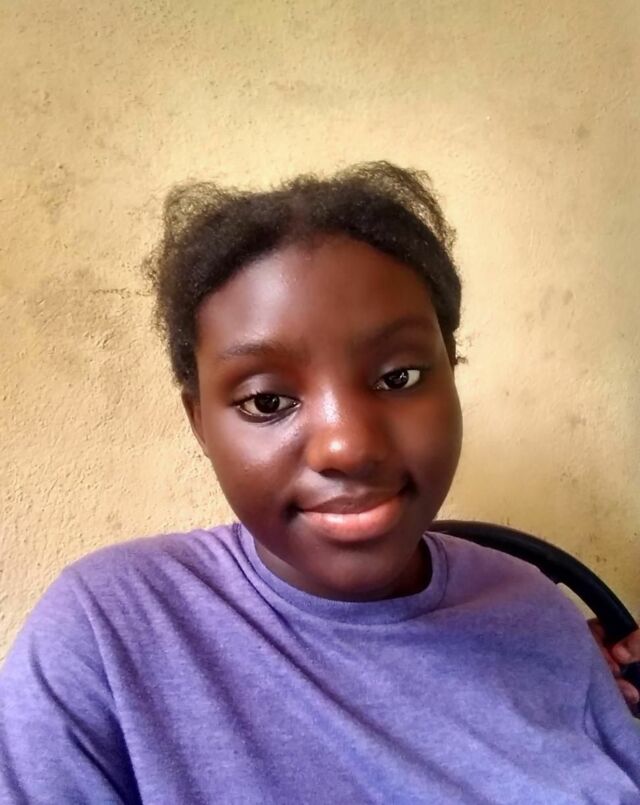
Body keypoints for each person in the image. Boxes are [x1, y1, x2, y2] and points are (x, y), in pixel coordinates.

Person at [0, 163, 638, 803]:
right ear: (200, 423)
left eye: (399, 378)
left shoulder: (534, 607)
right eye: (267, 402)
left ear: (451, 372)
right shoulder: (107, 633)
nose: (348, 447)